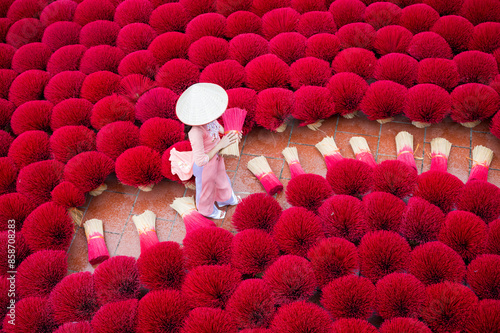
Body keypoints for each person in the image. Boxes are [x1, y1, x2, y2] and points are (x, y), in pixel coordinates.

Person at [175, 83, 241, 219]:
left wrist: (233, 133)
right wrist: (220, 145)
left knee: (222, 177)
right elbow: (200, 161)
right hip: (205, 167)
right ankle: (206, 210)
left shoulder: (209, 118)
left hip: (217, 157)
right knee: (206, 189)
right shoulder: (196, 132)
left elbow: (221, 130)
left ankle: (225, 198)